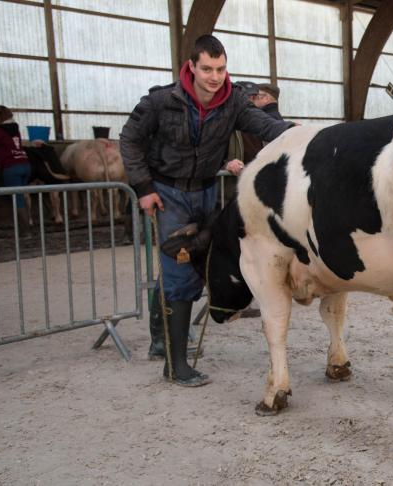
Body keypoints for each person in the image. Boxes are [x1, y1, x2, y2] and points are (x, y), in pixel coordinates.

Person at [120, 34, 295, 386]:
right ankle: (176, 365)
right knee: (179, 269)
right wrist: (144, 188)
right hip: (167, 193)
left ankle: (166, 343)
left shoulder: (233, 103)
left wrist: (299, 133)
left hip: (205, 191)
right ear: (192, 67)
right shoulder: (160, 101)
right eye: (207, 69)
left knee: (191, 266)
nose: (215, 77)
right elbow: (129, 139)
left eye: (220, 68)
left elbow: (265, 126)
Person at [0, 106, 32, 236]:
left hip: (12, 167)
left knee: (18, 199)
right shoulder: (15, 129)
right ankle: (26, 227)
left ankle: (26, 232)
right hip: (25, 165)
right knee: (23, 197)